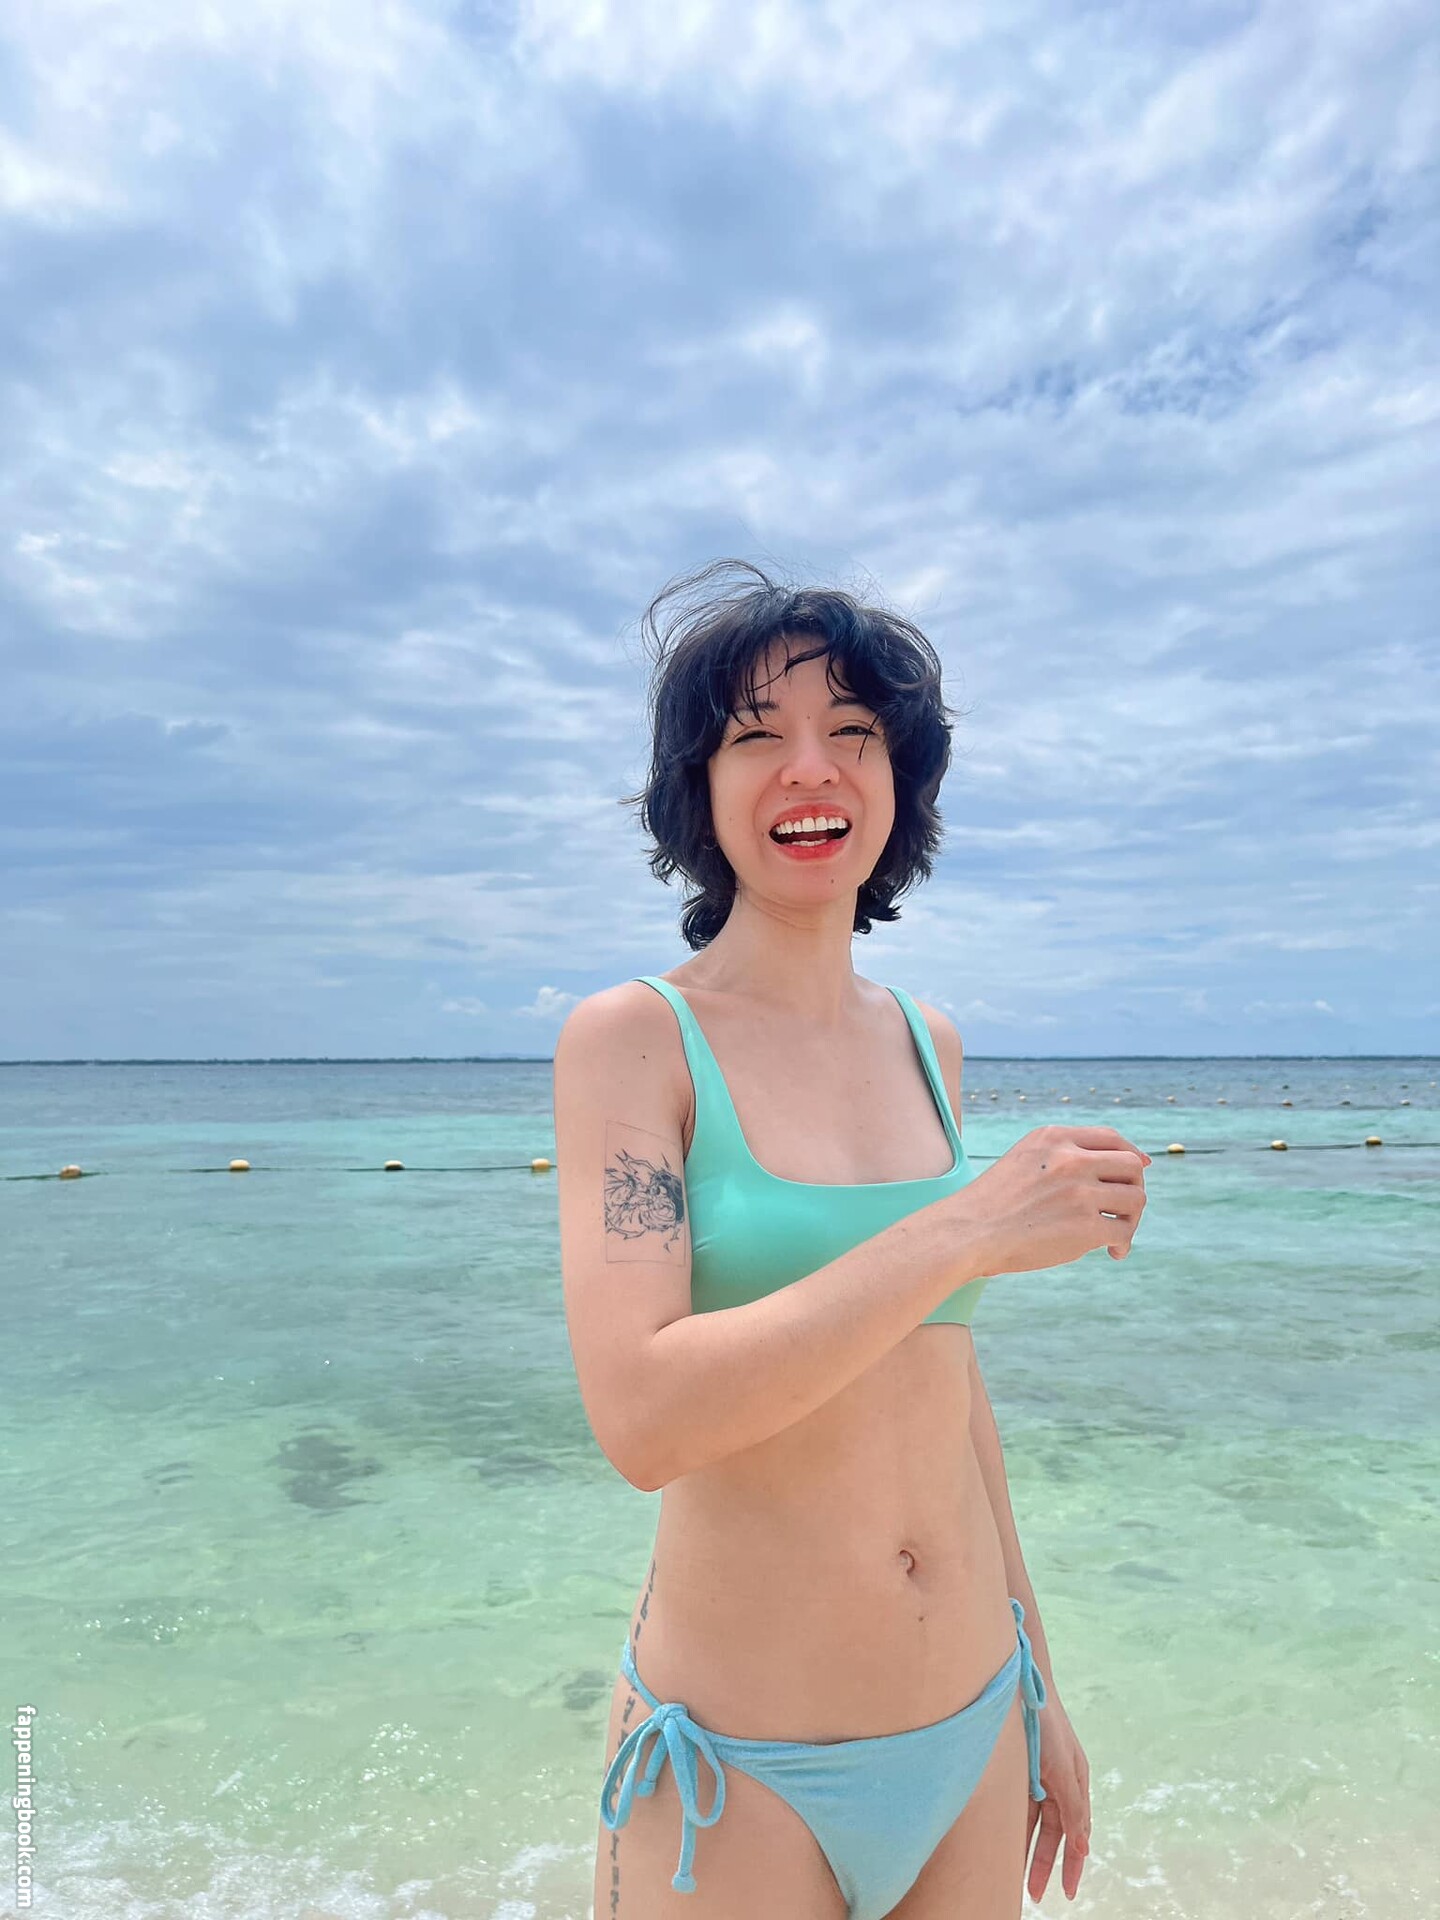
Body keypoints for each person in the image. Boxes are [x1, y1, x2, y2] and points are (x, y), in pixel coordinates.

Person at [552, 559, 1150, 1919]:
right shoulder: (636, 1040)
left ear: (901, 778)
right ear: (698, 787)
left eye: (854, 731)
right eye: (756, 735)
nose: (809, 768)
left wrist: (1041, 1685)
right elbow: (642, 1417)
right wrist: (966, 1230)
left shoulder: (928, 1043)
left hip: (973, 1724)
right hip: (740, 1767)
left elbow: (946, 1389)